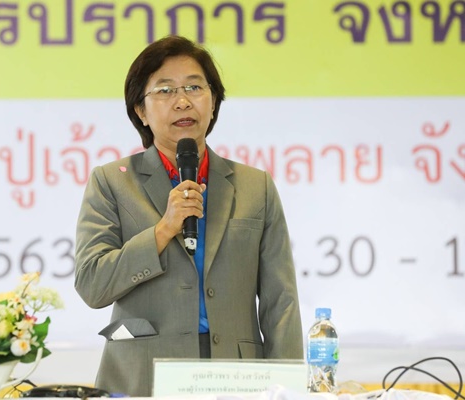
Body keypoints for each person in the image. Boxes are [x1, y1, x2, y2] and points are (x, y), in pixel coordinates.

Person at [74, 35, 303, 397]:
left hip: (236, 377)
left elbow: (281, 300)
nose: (182, 101)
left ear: (213, 102)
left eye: (194, 87)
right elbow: (92, 284)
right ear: (141, 110)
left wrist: (289, 388)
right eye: (165, 90)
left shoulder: (254, 185)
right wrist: (163, 230)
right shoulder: (112, 182)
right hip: (142, 375)